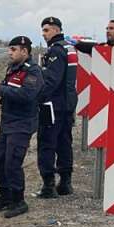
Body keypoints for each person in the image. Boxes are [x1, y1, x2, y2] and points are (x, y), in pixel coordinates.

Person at [0, 36, 42, 218]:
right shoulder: (12, 68)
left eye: (14, 49)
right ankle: (6, 196)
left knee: (12, 163)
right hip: (8, 122)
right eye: (9, 49)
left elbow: (26, 95)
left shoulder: (33, 71)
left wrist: (0, 89)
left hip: (22, 123)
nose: (10, 53)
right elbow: (7, 88)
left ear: (24, 51)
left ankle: (19, 201)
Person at [36, 16, 78, 198]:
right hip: (67, 104)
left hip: (52, 105)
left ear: (56, 30)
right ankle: (66, 183)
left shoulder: (55, 51)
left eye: (46, 30)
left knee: (46, 144)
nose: (43, 34)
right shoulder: (69, 47)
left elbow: (51, 81)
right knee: (64, 143)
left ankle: (48, 186)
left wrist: (37, 98)